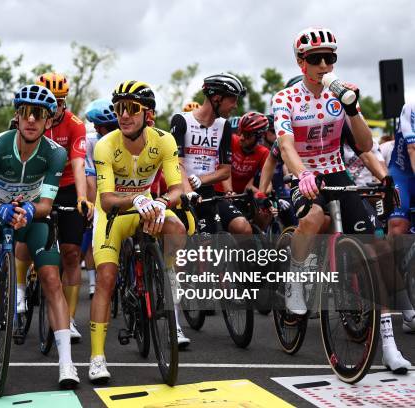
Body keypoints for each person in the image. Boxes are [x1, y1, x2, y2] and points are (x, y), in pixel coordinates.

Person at [273, 28, 410, 373]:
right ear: (300, 63)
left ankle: (389, 346)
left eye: (329, 58)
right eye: (315, 58)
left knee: (377, 251)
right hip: (305, 173)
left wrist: (352, 109)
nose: (323, 64)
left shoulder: (341, 94)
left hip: (337, 173)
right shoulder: (285, 99)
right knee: (313, 218)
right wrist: (301, 173)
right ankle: (295, 278)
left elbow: (364, 147)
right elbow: (286, 145)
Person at [0, 84, 79, 388]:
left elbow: (46, 205)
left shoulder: (56, 154)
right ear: (17, 115)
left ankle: (67, 364)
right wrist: (1, 211)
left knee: (52, 279)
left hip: (31, 215)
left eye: (39, 114)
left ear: (48, 121)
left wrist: (29, 211)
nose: (31, 119)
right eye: (26, 113)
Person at [89, 80, 187, 383]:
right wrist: (136, 198)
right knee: (105, 277)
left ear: (149, 115)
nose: (124, 114)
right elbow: (105, 200)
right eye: (119, 108)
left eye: (132, 108)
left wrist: (159, 203)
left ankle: (169, 277)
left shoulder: (165, 141)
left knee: (176, 225)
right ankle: (97, 358)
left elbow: (176, 190)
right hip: (113, 214)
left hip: (147, 206)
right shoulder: (106, 145)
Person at [35, 72, 92, 342]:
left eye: (60, 102)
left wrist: (83, 197)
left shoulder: (75, 125)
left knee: (71, 253)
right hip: (37, 184)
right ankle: (20, 293)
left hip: (67, 186)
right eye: (51, 101)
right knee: (29, 240)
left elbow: (79, 163)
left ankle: (68, 319)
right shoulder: (32, 120)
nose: (55, 107)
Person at [170, 73, 252, 235]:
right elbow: (176, 164)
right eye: (233, 99)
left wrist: (201, 180)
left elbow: (225, 171)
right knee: (204, 246)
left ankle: (243, 261)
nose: (235, 105)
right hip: (183, 194)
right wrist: (189, 191)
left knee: (243, 227)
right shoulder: (181, 120)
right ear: (217, 98)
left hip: (209, 193)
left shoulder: (224, 126)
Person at [82, 99, 119, 299]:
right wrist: (93, 207)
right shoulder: (91, 141)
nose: (96, 128)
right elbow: (90, 179)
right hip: (98, 192)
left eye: (99, 125)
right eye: (95, 125)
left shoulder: (126, 137)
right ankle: (93, 282)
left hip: (122, 191)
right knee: (90, 239)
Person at [386, 103, 415, 334]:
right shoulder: (411, 108)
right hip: (403, 175)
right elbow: (414, 151)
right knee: (397, 228)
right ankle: (399, 295)